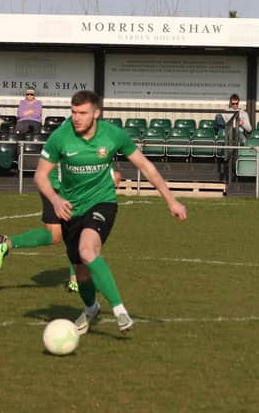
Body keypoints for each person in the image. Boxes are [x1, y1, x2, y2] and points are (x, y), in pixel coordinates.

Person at [33, 90, 187, 335]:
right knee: (82, 273)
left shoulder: (113, 135)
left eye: (82, 113)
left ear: (96, 113)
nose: (76, 118)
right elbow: (40, 176)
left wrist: (171, 200)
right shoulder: (60, 137)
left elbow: (145, 166)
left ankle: (119, 311)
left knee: (87, 251)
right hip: (70, 209)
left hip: (102, 202)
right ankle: (91, 307)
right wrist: (54, 198)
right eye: (73, 112)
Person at [0, 168, 123, 293]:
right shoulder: (67, 146)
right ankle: (76, 280)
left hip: (57, 186)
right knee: (75, 231)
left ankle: (6, 243)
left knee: (59, 234)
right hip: (58, 188)